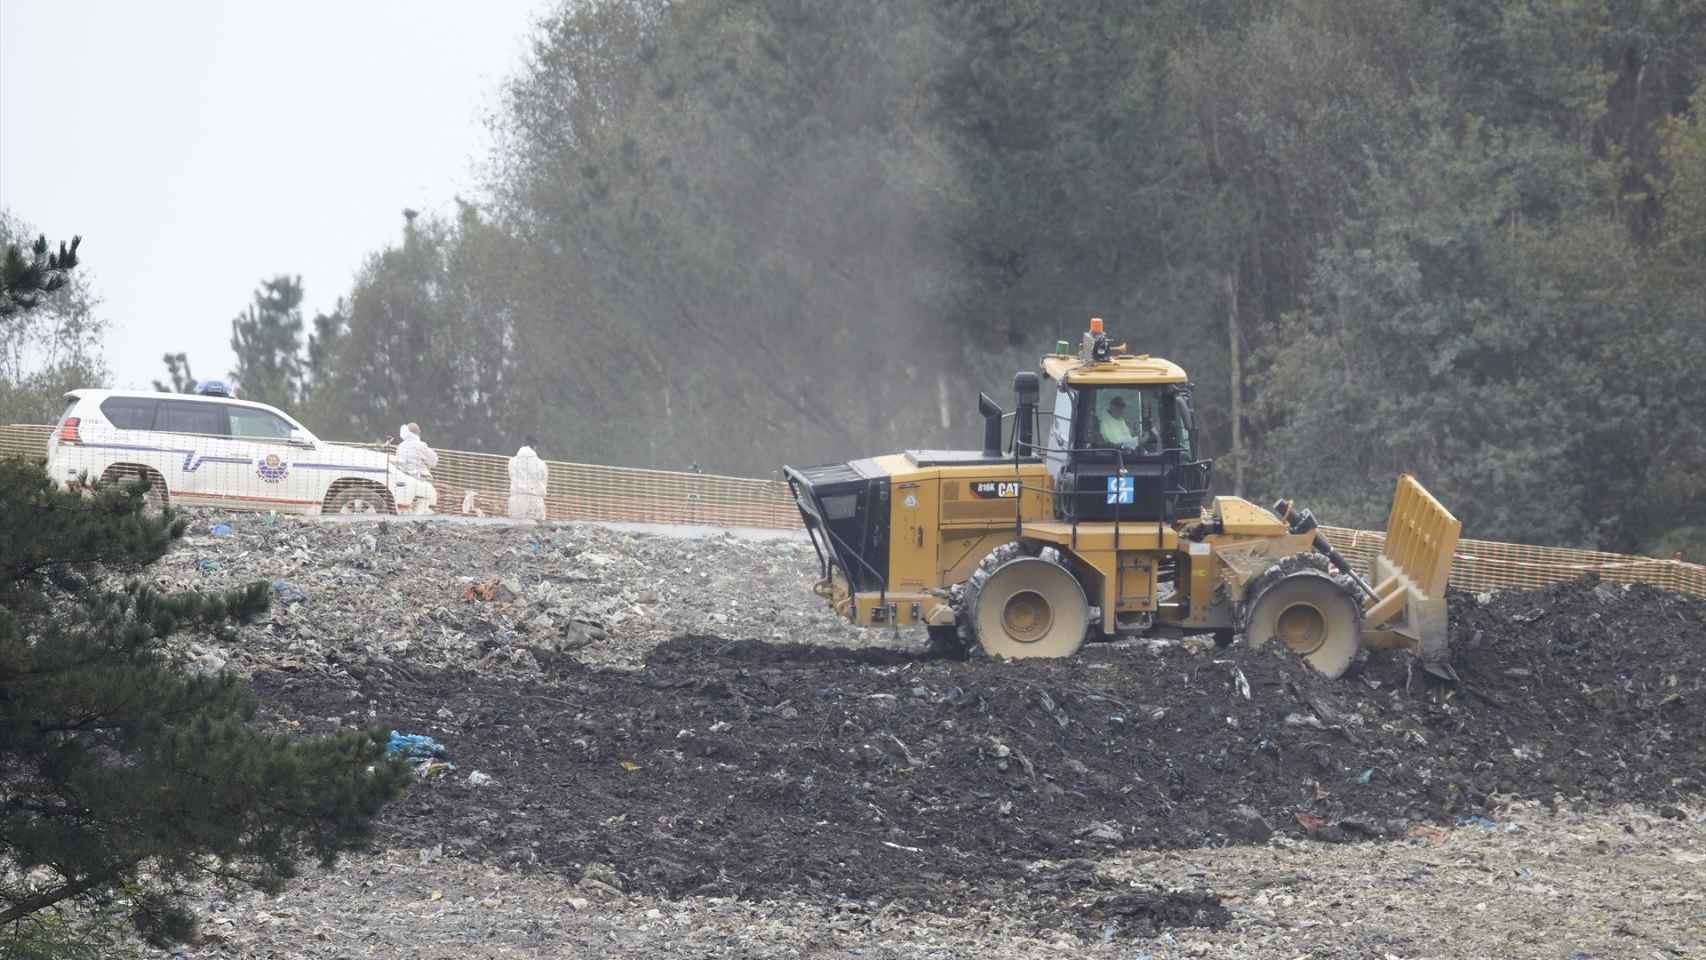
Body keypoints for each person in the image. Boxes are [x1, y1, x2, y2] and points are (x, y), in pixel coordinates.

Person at [508, 437, 548, 521]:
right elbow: (544, 481)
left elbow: (511, 475)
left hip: (517, 499)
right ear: (535, 447)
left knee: (516, 531)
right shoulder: (541, 464)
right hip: (536, 500)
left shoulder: (512, 461)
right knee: (536, 531)